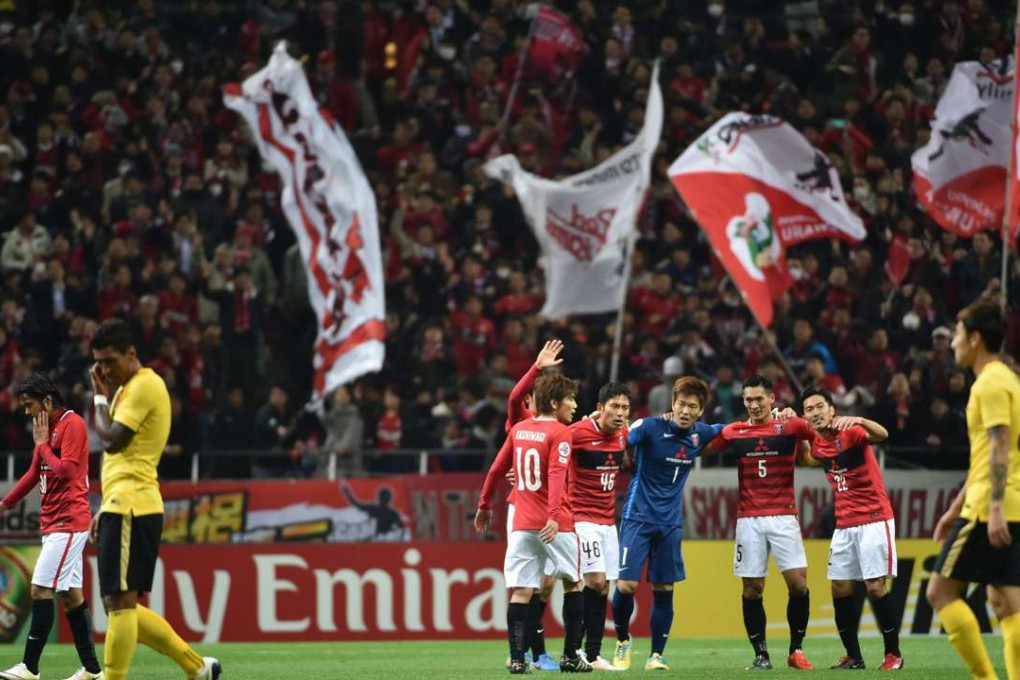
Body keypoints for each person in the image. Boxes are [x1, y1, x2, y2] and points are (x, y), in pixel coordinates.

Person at [88, 319, 220, 680]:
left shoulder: (145, 385)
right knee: (119, 604)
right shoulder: (127, 389)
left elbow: (111, 441)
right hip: (122, 501)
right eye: (99, 364)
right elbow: (120, 457)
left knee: (119, 602)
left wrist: (98, 398)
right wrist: (105, 505)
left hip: (133, 503)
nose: (104, 371)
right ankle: (197, 668)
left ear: (131, 353)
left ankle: (113, 677)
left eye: (110, 361)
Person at [926, 301, 1020, 680]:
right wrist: (954, 507)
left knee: (940, 593)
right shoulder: (1008, 379)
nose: (953, 343)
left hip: (988, 507)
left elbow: (999, 445)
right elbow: (988, 454)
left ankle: (985, 677)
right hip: (1009, 502)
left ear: (976, 339)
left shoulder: (990, 383)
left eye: (958, 334)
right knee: (1006, 600)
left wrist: (992, 508)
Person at [475, 373, 591, 673]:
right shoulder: (560, 432)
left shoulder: (519, 430)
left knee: (522, 590)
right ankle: (570, 656)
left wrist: (485, 504)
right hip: (555, 523)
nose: (574, 405)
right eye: (570, 399)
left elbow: (496, 468)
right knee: (574, 583)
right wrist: (553, 515)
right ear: (554, 403)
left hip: (522, 523)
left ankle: (517, 660)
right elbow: (556, 474)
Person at [703, 374, 816, 671]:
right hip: (749, 520)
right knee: (753, 588)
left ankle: (796, 650)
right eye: (748, 400)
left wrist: (800, 418)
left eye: (759, 399)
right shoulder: (734, 431)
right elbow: (702, 447)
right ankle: (761, 655)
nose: (753, 405)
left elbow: (820, 438)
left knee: (798, 584)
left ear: (772, 399)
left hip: (784, 517)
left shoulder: (791, 426)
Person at [611, 377, 723, 671]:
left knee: (664, 588)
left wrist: (774, 419)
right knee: (626, 585)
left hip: (670, 523)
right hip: (637, 516)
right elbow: (619, 439)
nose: (685, 411)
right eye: (681, 404)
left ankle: (656, 655)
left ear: (700, 411)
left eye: (692, 407)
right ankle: (622, 641)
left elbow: (731, 430)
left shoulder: (700, 433)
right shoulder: (649, 427)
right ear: (672, 403)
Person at [0, 373, 103, 680]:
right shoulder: (46, 430)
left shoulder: (73, 425)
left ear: (47, 401)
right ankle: (93, 670)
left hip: (68, 521)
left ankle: (30, 667)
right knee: (71, 597)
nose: (26, 412)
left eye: (29, 405)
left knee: (39, 588)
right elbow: (34, 473)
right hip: (53, 523)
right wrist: (4, 505)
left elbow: (67, 471)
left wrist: (43, 445)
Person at [798, 387, 903, 670]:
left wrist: (860, 419)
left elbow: (882, 435)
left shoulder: (852, 432)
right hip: (844, 524)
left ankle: (893, 654)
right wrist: (794, 432)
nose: (815, 413)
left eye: (820, 406)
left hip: (874, 519)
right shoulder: (818, 444)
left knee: (875, 587)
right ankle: (854, 657)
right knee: (839, 587)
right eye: (809, 409)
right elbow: (808, 458)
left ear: (832, 409)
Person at [478, 339, 565, 672]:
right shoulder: (521, 419)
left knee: (546, 583)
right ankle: (532, 653)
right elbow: (514, 397)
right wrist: (537, 367)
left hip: (550, 508)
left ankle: (530, 652)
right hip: (524, 506)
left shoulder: (558, 427)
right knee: (528, 584)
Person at [569, 382, 631, 671]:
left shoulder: (623, 434)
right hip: (582, 520)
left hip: (608, 523)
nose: (620, 413)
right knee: (594, 582)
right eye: (614, 407)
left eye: (625, 408)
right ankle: (573, 651)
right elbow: (549, 445)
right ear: (599, 408)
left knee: (603, 587)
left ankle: (592, 655)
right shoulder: (579, 432)